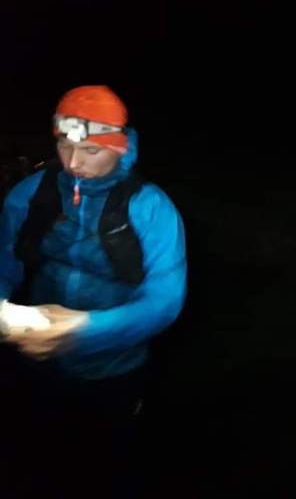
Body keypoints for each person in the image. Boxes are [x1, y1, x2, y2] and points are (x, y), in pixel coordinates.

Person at [0, 85, 187, 496]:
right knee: (38, 459)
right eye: (65, 146)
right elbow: (5, 261)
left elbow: (165, 300)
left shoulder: (151, 208)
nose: (73, 163)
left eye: (90, 151)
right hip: (36, 363)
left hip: (114, 370)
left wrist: (83, 332)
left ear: (119, 148)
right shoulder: (31, 194)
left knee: (106, 465)